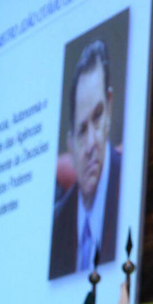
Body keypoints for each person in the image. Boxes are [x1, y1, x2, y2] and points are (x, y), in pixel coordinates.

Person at [50, 39, 121, 279]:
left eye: (98, 116)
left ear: (110, 108)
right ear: (69, 146)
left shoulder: (131, 185)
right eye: (81, 130)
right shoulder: (55, 225)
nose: (92, 143)